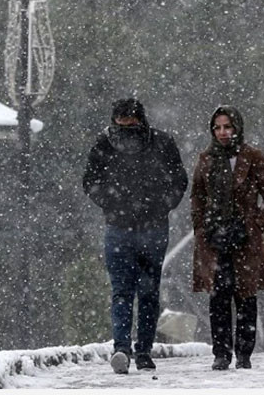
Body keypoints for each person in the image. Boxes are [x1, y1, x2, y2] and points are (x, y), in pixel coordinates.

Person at [83, 98, 188, 374]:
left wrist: (160, 204)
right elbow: (90, 181)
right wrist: (114, 203)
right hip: (123, 227)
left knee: (143, 291)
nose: (126, 129)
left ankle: (138, 349)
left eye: (130, 123)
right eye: (122, 123)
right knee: (128, 291)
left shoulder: (161, 144)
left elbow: (178, 180)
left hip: (146, 227)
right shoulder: (106, 144)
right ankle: (126, 349)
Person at [191, 105, 264, 370]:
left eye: (227, 126)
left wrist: (255, 224)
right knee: (218, 297)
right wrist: (203, 227)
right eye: (217, 127)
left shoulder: (253, 156)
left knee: (245, 296)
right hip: (214, 239)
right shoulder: (206, 158)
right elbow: (198, 196)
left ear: (237, 127)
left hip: (245, 239)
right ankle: (221, 353)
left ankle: (244, 354)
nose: (222, 132)